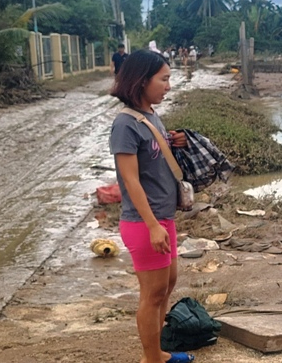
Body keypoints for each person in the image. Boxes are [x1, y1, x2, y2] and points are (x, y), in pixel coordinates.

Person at [109, 50, 193, 363]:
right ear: (142, 81)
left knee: (166, 286)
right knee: (152, 293)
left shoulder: (151, 116)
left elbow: (156, 160)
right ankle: (152, 359)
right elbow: (131, 182)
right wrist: (153, 226)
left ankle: (157, 353)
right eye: (164, 79)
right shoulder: (124, 126)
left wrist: (176, 141)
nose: (168, 85)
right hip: (144, 223)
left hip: (162, 217)